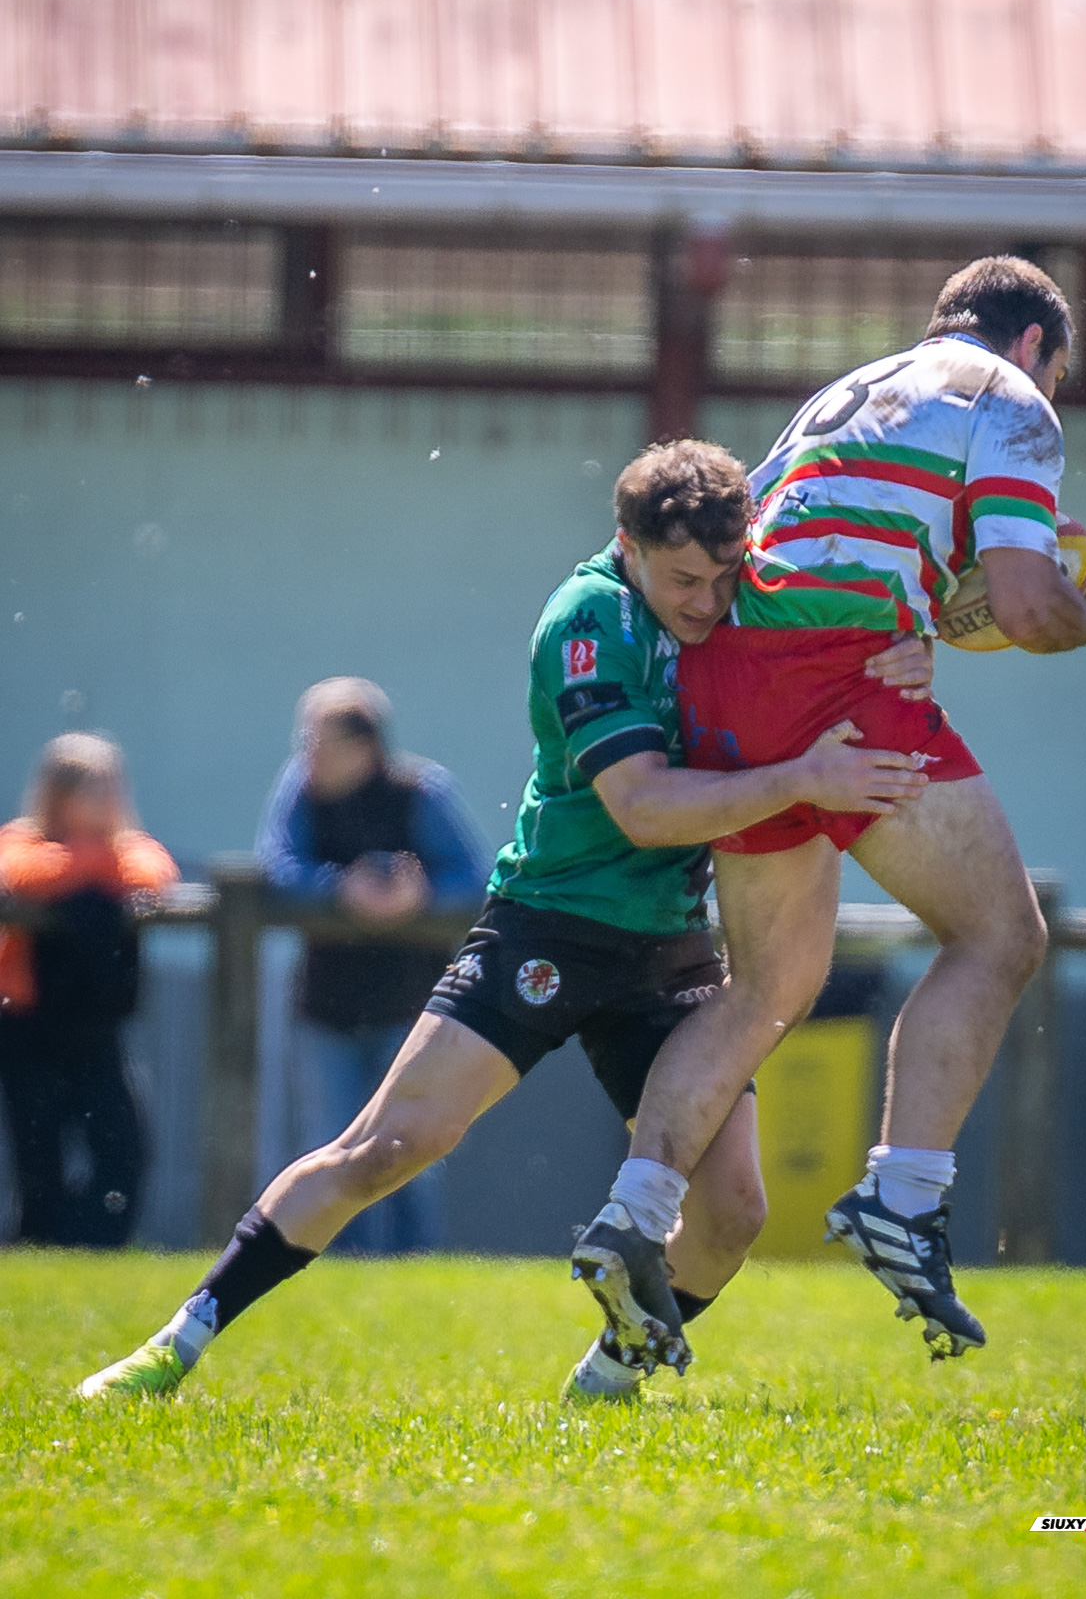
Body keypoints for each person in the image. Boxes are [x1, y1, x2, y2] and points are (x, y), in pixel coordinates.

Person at [79, 440, 931, 1402]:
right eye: (685, 579)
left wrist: (903, 648)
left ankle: (603, 1387)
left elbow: (841, 624)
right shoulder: (586, 620)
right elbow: (644, 807)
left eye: (725, 577)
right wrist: (805, 779)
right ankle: (175, 1345)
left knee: (734, 1210)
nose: (708, 602)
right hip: (551, 927)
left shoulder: (738, 595)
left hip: (673, 948)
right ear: (629, 545)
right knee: (389, 1148)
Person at [573, 256, 1086, 1365]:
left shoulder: (854, 389)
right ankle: (902, 1195)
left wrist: (910, 615)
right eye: (1057, 375)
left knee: (769, 988)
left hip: (730, 674)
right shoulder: (1009, 402)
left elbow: (790, 547)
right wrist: (1084, 613)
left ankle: (631, 1215)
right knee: (1000, 936)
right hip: (834, 677)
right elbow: (1022, 602)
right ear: (1033, 347)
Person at [258, 678, 492, 1255]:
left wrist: (419, 900)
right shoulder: (301, 789)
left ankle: (413, 1270)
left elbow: (475, 880)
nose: (306, 753)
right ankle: (338, 1268)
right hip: (326, 1005)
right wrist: (343, 891)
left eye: (318, 741)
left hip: (415, 1008)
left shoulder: (422, 792)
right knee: (332, 1146)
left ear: (364, 746)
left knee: (408, 1149)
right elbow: (276, 869)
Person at [0, 735, 178, 1247]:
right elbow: (22, 873)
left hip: (96, 1031)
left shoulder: (129, 851)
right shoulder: (22, 841)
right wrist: (93, 863)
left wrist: (91, 864)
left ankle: (90, 1243)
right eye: (92, 791)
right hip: (28, 1029)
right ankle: (38, 1247)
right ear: (58, 796)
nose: (107, 802)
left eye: (111, 789)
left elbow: (155, 872)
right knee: (39, 1160)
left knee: (123, 1150)